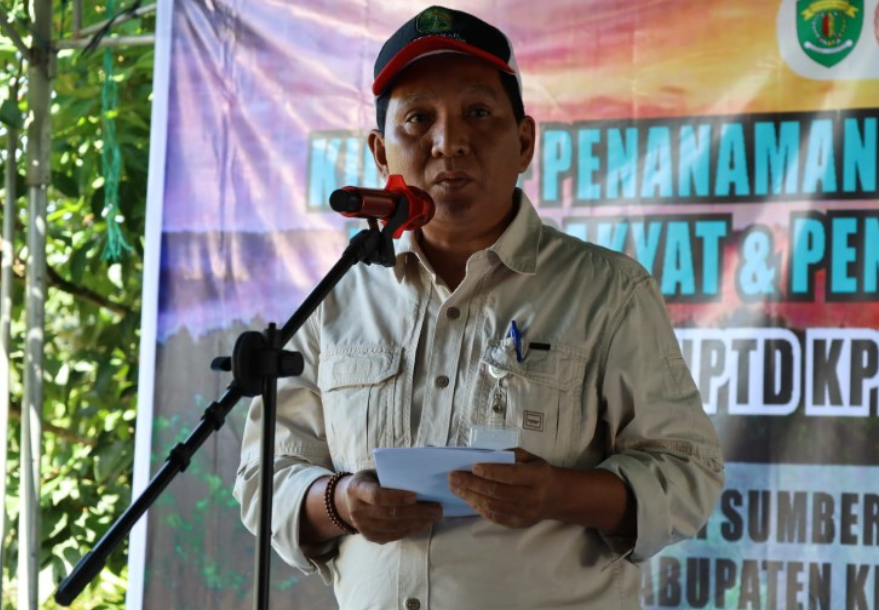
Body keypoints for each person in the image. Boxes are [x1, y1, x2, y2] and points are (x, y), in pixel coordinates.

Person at [234, 6, 724, 609]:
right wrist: (339, 503)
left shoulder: (609, 291)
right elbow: (267, 477)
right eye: (419, 119)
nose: (449, 142)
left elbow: (689, 476)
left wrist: (558, 494)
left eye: (478, 113)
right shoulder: (336, 298)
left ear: (524, 142)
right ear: (381, 154)